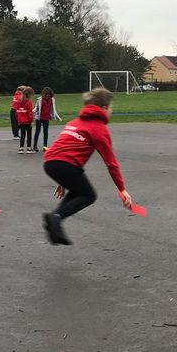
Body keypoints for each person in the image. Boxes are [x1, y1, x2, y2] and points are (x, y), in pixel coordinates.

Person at [42, 88, 133, 246]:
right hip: (65, 165)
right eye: (111, 107)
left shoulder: (74, 123)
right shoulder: (99, 129)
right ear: (104, 108)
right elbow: (111, 163)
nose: (111, 110)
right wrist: (122, 189)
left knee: (78, 191)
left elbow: (65, 151)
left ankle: (55, 220)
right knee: (88, 195)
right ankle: (56, 217)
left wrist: (62, 181)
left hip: (50, 162)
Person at [32, 86, 62, 152]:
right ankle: (35, 146)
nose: (48, 96)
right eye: (46, 95)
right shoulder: (39, 99)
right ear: (44, 94)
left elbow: (53, 109)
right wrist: (31, 111)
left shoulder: (52, 100)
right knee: (37, 131)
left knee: (45, 132)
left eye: (49, 95)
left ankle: (45, 146)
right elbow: (36, 108)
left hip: (46, 118)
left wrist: (56, 117)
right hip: (39, 118)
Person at [15, 86, 35, 153]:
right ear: (29, 94)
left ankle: (21, 148)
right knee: (29, 134)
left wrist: (18, 119)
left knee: (22, 134)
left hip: (21, 121)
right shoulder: (29, 102)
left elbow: (17, 112)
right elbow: (30, 113)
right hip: (27, 121)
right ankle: (29, 148)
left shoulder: (18, 101)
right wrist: (31, 121)